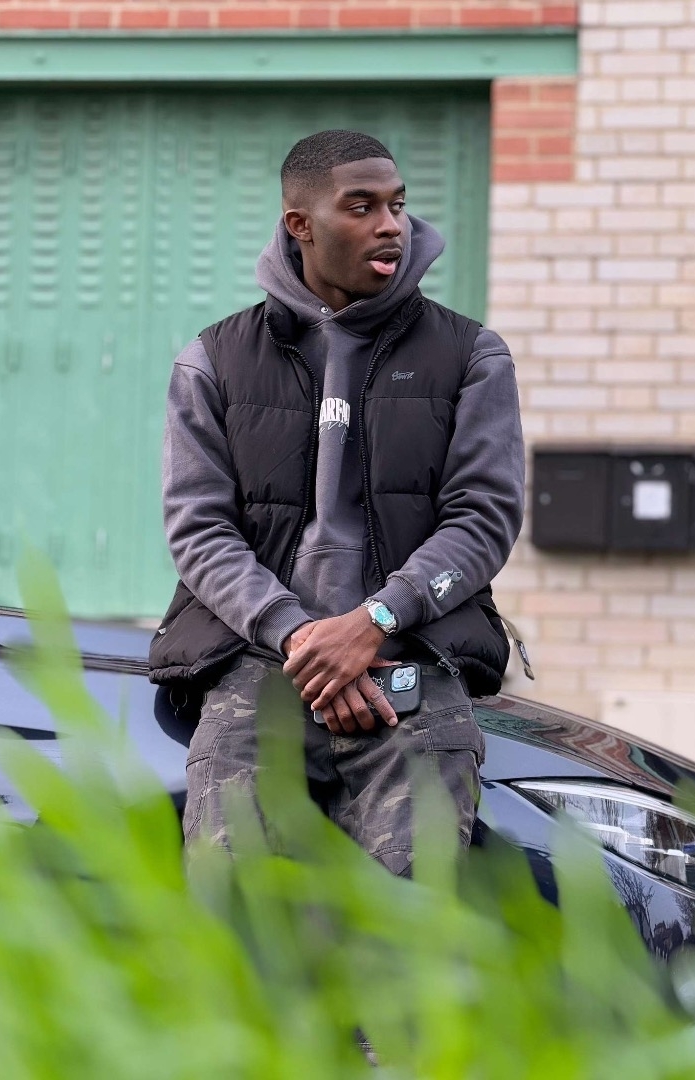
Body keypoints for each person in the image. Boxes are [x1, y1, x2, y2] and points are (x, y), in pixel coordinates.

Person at [149, 130, 525, 875]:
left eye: (398, 205)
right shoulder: (215, 360)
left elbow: (484, 519)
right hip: (259, 662)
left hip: (411, 661)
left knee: (412, 920)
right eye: (363, 207)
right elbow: (199, 530)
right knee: (233, 910)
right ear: (301, 223)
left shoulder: (470, 356)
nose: (392, 226)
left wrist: (374, 621)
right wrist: (302, 638)